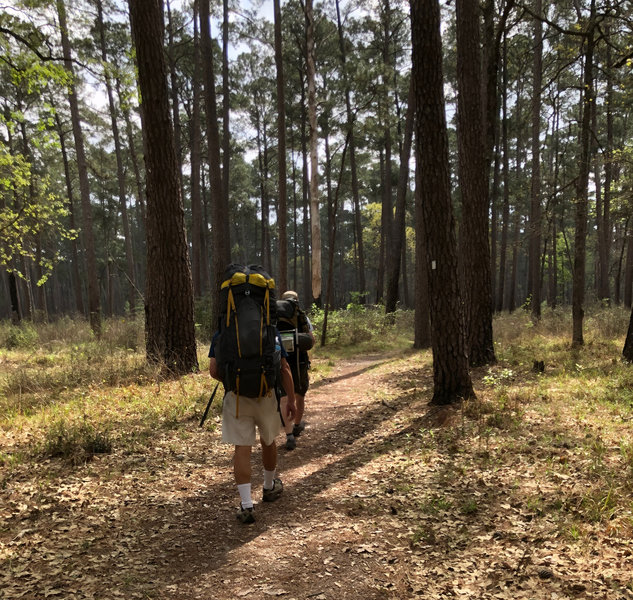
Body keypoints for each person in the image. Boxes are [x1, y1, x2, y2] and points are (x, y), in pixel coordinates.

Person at [209, 330, 296, 524]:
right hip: (266, 394)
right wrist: (290, 399)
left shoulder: (224, 331)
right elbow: (284, 368)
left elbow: (214, 370)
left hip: (236, 397)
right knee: (268, 440)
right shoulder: (269, 330)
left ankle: (247, 504)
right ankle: (268, 486)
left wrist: (235, 381)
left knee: (242, 447)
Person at [277, 290, 315, 451]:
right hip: (299, 360)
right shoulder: (301, 315)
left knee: (284, 398)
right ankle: (298, 425)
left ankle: (289, 435)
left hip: (279, 360)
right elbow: (311, 340)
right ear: (296, 301)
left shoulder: (274, 316)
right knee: (299, 394)